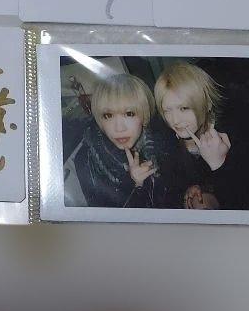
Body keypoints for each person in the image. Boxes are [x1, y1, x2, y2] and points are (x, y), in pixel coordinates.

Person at [154, 62, 249, 211]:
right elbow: (171, 190)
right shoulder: (165, 139)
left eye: (184, 108)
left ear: (207, 104)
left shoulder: (234, 133)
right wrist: (190, 190)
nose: (175, 120)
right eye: (167, 110)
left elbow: (248, 202)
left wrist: (219, 164)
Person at [64, 71, 172, 208]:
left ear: (145, 115)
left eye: (129, 114)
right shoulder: (86, 161)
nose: (119, 129)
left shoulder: (161, 142)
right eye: (108, 115)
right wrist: (135, 184)